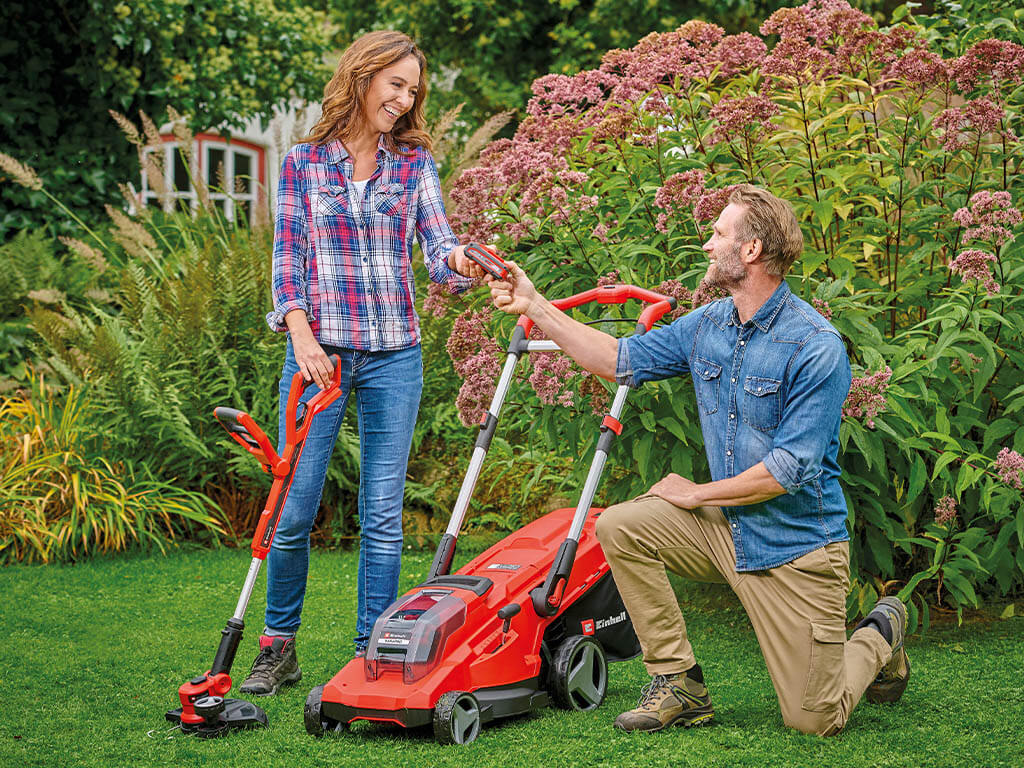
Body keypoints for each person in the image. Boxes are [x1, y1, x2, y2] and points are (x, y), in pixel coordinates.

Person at [486, 184, 909, 736]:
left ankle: (881, 632)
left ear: (752, 250)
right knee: (621, 525)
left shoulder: (815, 345)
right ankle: (679, 684)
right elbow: (619, 360)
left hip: (796, 549)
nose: (707, 245)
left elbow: (789, 469)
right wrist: (536, 306)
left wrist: (697, 494)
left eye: (718, 234)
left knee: (816, 719)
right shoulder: (708, 324)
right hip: (727, 531)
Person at [240, 31, 484, 696]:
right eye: (396, 85)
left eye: (413, 91)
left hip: (394, 356)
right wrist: (302, 338)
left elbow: (439, 250)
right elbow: (286, 262)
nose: (405, 101)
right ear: (363, 77)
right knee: (293, 510)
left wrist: (462, 262)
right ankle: (278, 646)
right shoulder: (301, 164)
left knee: (381, 513)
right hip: (319, 356)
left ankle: (369, 654)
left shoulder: (414, 165)